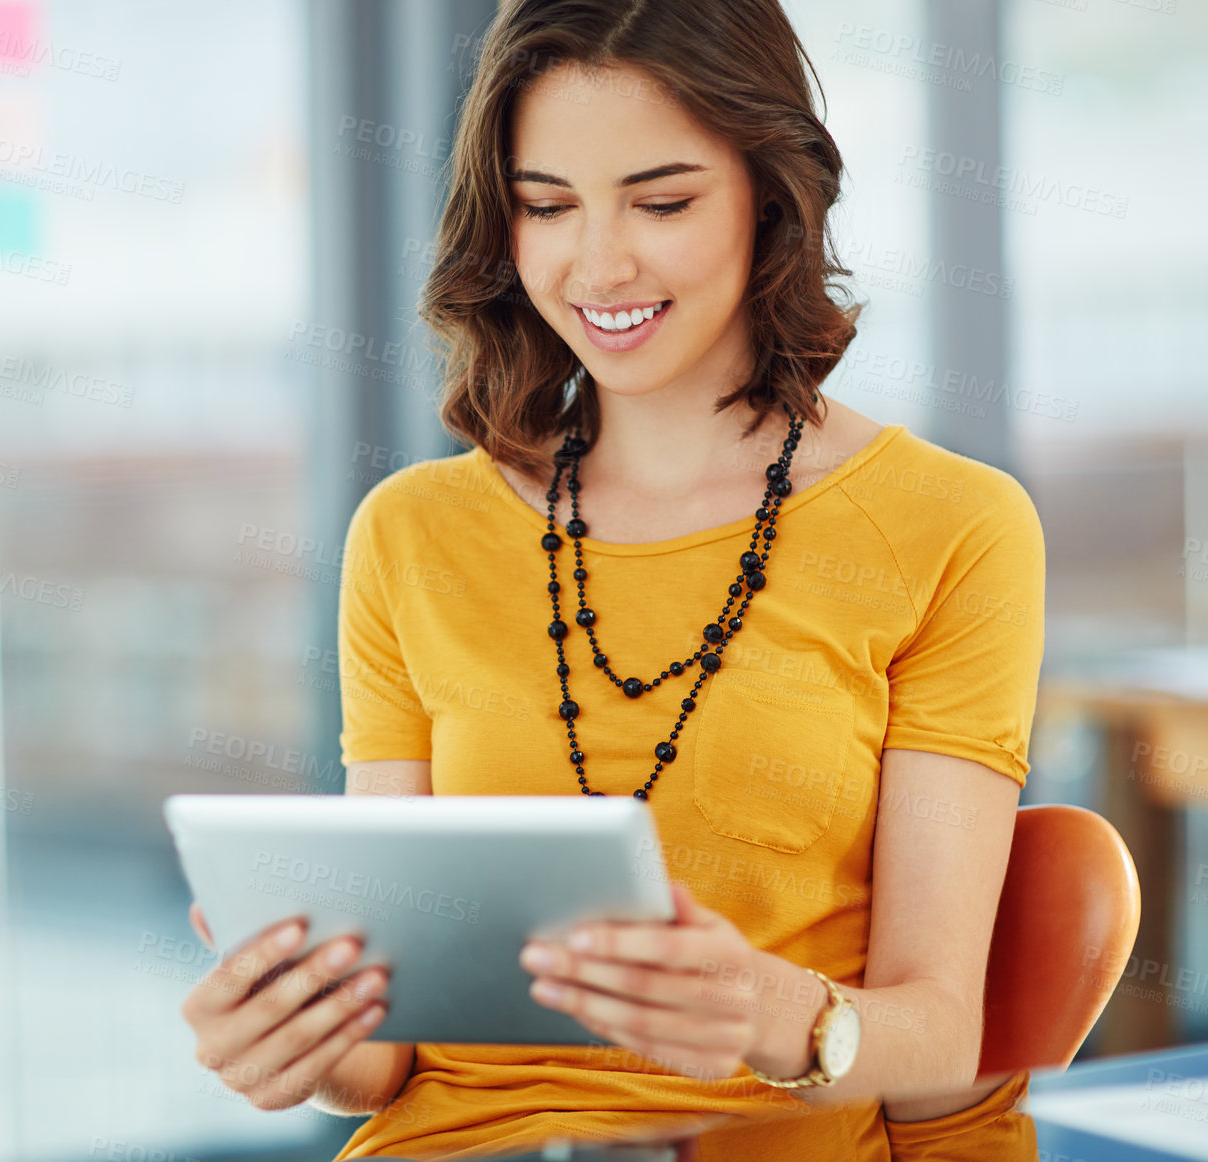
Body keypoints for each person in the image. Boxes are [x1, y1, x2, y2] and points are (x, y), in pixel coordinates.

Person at [181, 1, 1044, 1158]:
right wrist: (297, 1036)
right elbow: (384, 1053)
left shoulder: (953, 525)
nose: (598, 263)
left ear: (770, 197)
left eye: (663, 201)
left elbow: (940, 1035)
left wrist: (771, 1012)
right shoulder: (412, 530)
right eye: (546, 207)